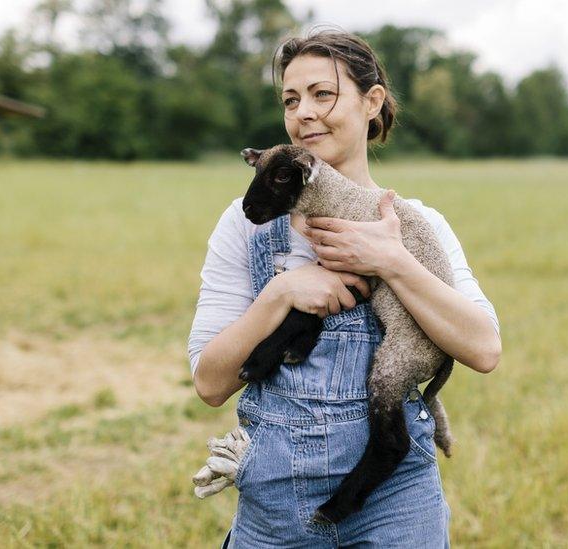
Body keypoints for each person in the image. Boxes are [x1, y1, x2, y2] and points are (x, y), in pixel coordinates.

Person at [187, 28, 501, 548]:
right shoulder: (246, 227)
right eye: (290, 100)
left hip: (398, 505)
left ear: (371, 102)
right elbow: (210, 384)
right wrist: (281, 293)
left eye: (322, 94)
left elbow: (485, 349)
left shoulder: (418, 224)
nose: (303, 112)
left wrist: (392, 261)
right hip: (276, 505)